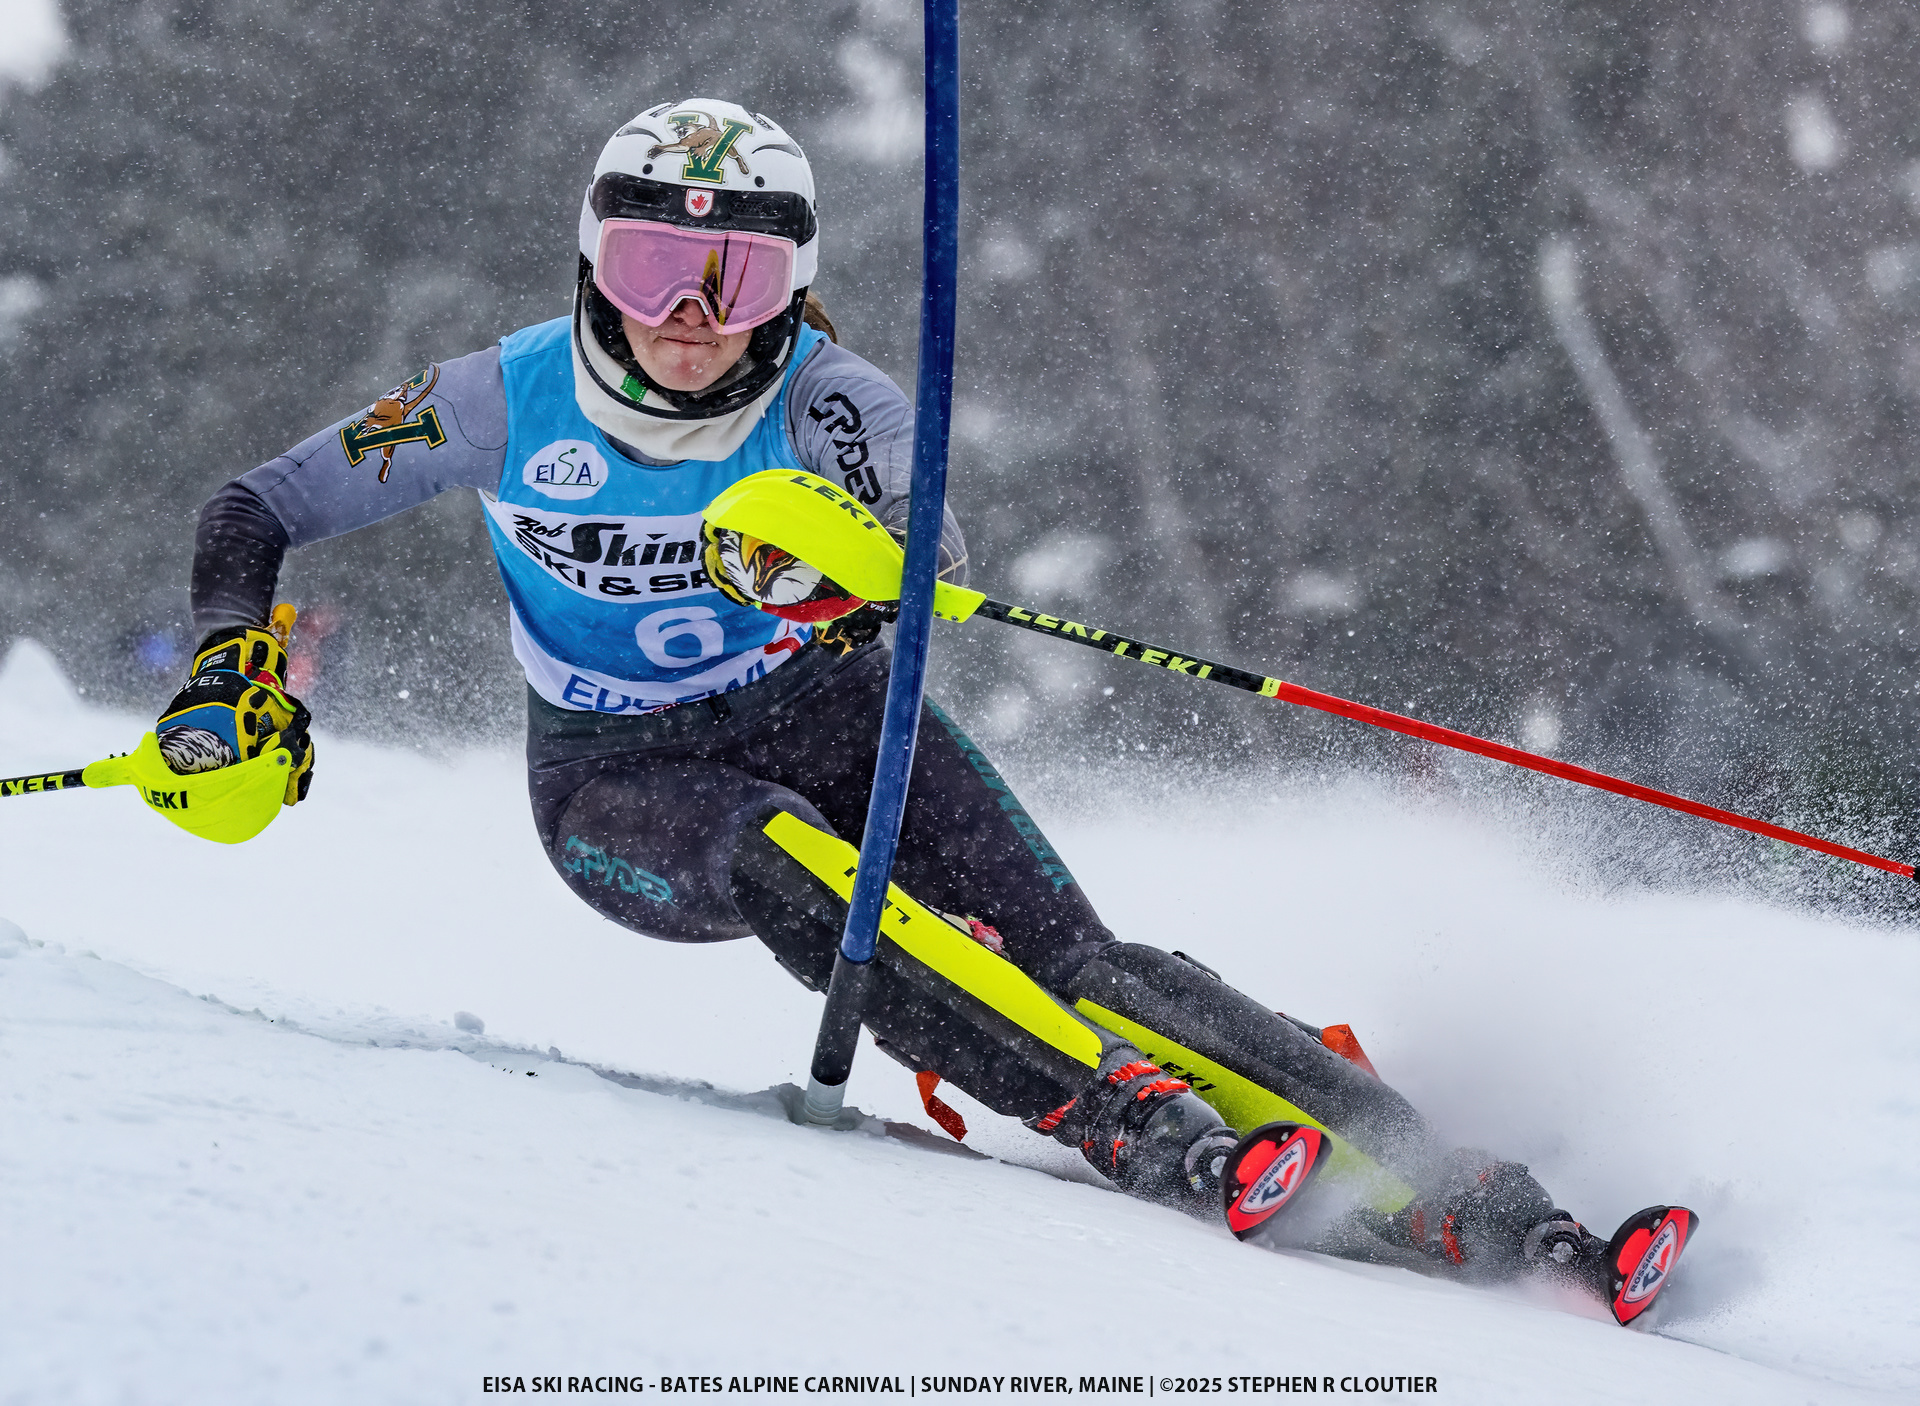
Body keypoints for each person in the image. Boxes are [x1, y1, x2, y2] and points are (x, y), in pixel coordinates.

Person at [163, 98, 1653, 1307]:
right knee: (782, 851)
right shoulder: (497, 398)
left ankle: (1466, 1191)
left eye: (735, 278)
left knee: (1087, 961)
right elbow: (258, 503)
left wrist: (860, 577)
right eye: (648, 264)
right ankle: (1127, 1119)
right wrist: (234, 655)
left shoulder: (832, 401)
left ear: (791, 285)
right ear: (592, 261)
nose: (687, 315)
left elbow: (927, 550)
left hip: (826, 707)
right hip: (619, 780)